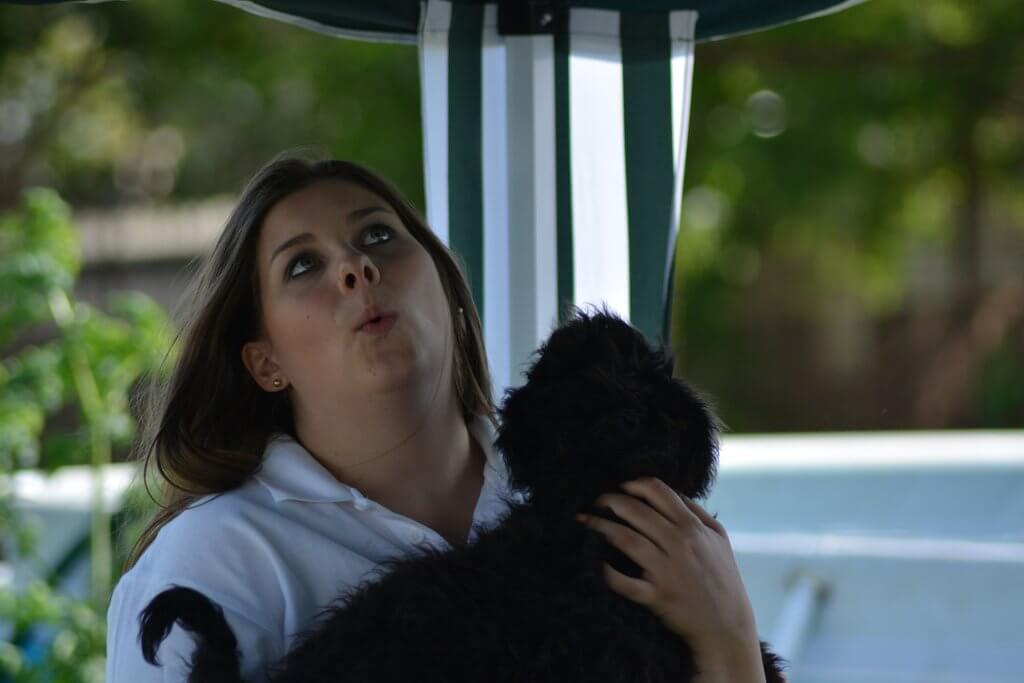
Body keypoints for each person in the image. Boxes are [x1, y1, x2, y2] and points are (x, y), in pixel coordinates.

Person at [105, 152, 771, 683]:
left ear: (449, 290)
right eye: (303, 264)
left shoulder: (588, 492)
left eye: (378, 235)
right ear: (265, 361)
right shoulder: (211, 560)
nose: (356, 267)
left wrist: (731, 638)